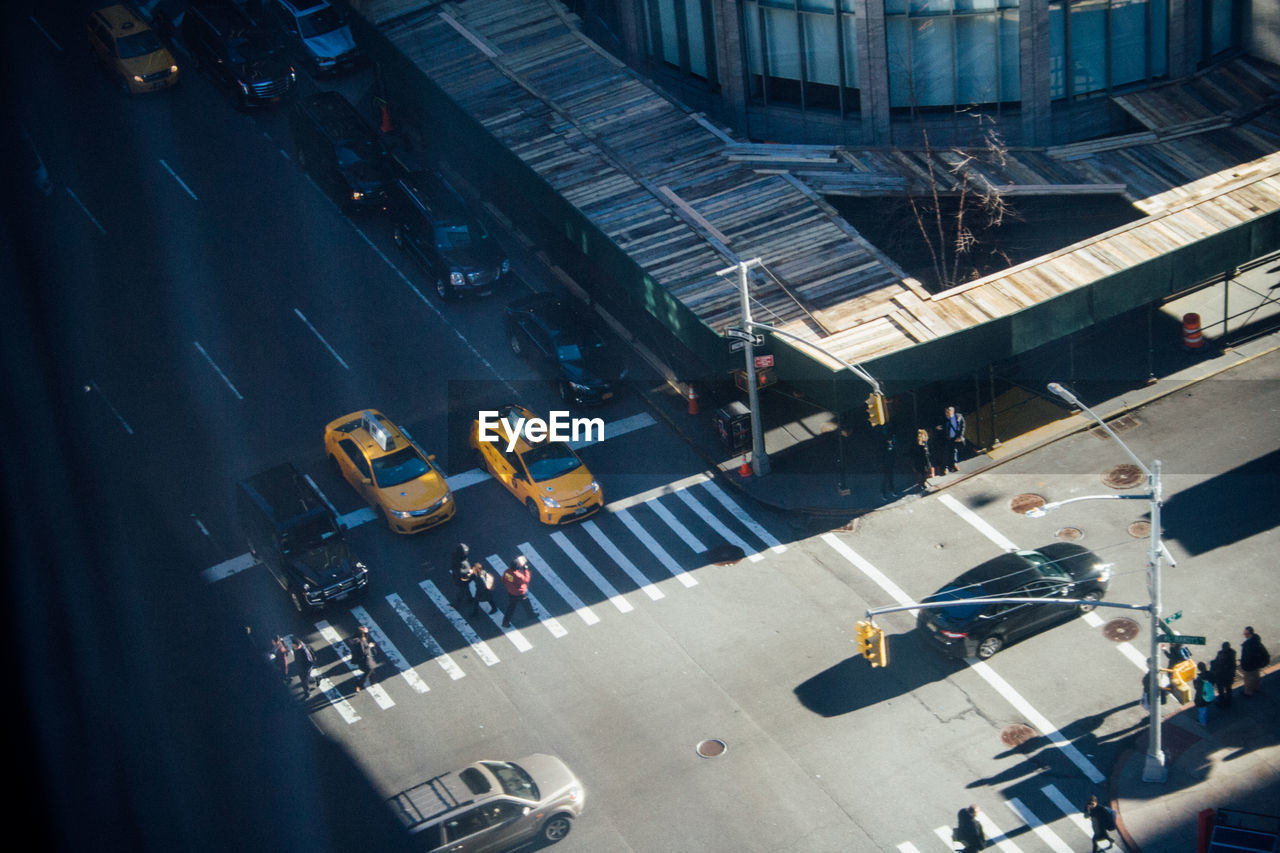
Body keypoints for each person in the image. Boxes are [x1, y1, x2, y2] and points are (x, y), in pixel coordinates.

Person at [501, 555, 534, 628]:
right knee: (527, 604)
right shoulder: (518, 575)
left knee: (511, 608)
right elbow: (526, 580)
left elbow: (503, 580)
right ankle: (531, 614)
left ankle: (505, 623)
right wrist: (526, 570)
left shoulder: (507, 572)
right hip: (520, 593)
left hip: (511, 593)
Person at [1240, 626, 1270, 697]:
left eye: (1245, 633)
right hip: (1256, 664)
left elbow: (1247, 657)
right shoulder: (1256, 640)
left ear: (1250, 634)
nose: (1244, 635)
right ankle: (1256, 687)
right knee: (1256, 675)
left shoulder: (1248, 645)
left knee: (1248, 679)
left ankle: (1248, 692)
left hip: (1249, 665)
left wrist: (1244, 665)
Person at [936, 405, 966, 473]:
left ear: (953, 411)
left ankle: (954, 464)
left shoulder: (958, 417)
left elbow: (963, 426)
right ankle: (945, 467)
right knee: (945, 452)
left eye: (948, 411)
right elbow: (938, 426)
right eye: (946, 411)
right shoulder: (943, 418)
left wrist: (961, 436)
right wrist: (937, 428)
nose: (947, 412)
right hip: (946, 438)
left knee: (954, 451)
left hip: (954, 437)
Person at [1210, 641, 1237, 709]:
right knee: (1228, 689)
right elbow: (1233, 665)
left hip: (1221, 676)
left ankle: (1221, 702)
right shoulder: (1232, 653)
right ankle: (1228, 701)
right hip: (1229, 676)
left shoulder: (1221, 654)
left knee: (1221, 690)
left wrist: (1212, 664)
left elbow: (1216, 663)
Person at [352, 626, 377, 692]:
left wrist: (366, 633)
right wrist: (370, 646)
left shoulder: (360, 639)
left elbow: (365, 640)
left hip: (366, 659)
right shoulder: (360, 641)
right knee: (369, 670)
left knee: (371, 670)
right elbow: (364, 652)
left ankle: (372, 681)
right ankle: (359, 684)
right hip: (365, 660)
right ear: (361, 633)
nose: (365, 629)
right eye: (364, 630)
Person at [449, 543, 474, 607]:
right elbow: (459, 571)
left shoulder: (458, 556)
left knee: (466, 589)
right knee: (461, 592)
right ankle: (456, 604)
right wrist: (469, 571)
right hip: (461, 580)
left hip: (464, 579)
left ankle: (470, 599)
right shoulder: (458, 561)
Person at [1193, 661, 1213, 726]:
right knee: (1205, 708)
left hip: (1201, 697)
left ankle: (1202, 722)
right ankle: (1204, 719)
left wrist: (1194, 681)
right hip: (1209, 693)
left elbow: (1196, 688)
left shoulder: (1199, 678)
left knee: (1202, 710)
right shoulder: (1210, 674)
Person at [879, 429, 897, 500]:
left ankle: (891, 490)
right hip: (885, 465)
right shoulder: (884, 446)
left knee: (890, 479)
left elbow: (894, 454)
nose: (890, 441)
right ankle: (883, 493)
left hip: (890, 464)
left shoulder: (892, 445)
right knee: (884, 480)